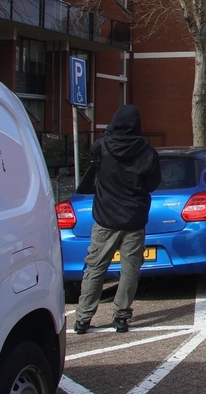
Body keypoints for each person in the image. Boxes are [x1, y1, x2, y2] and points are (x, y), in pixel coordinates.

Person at [74, 105, 161, 334]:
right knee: (130, 268)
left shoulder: (103, 146)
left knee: (96, 267)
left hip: (105, 218)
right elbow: (152, 184)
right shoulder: (147, 152)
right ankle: (121, 316)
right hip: (134, 217)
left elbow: (91, 158)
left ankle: (83, 317)